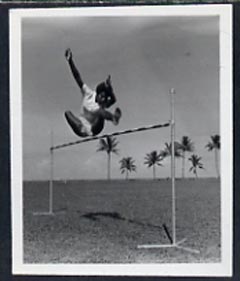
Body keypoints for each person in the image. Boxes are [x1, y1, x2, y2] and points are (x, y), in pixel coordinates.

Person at [64, 48, 121, 137]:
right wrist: (70, 61)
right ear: (97, 93)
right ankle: (82, 129)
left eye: (105, 98)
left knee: (100, 112)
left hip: (94, 128)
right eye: (101, 96)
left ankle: (113, 118)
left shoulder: (102, 105)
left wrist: (110, 88)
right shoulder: (88, 93)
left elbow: (113, 100)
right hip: (81, 127)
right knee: (67, 113)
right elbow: (77, 77)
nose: (102, 99)